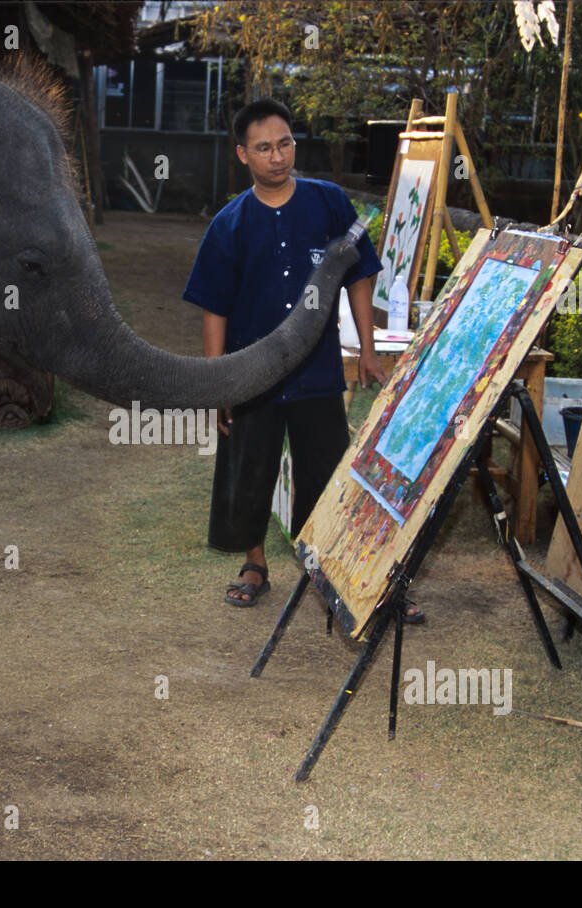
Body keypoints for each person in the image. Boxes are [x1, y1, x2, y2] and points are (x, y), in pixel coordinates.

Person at [183, 98, 424, 623]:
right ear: (244, 154)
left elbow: (360, 276)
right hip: (251, 378)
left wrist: (365, 349)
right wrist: (217, 385)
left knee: (329, 474)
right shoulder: (228, 225)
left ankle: (336, 570)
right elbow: (214, 312)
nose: (278, 156)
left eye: (286, 143)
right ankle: (254, 566)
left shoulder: (330, 204)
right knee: (250, 470)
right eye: (265, 148)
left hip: (317, 375)